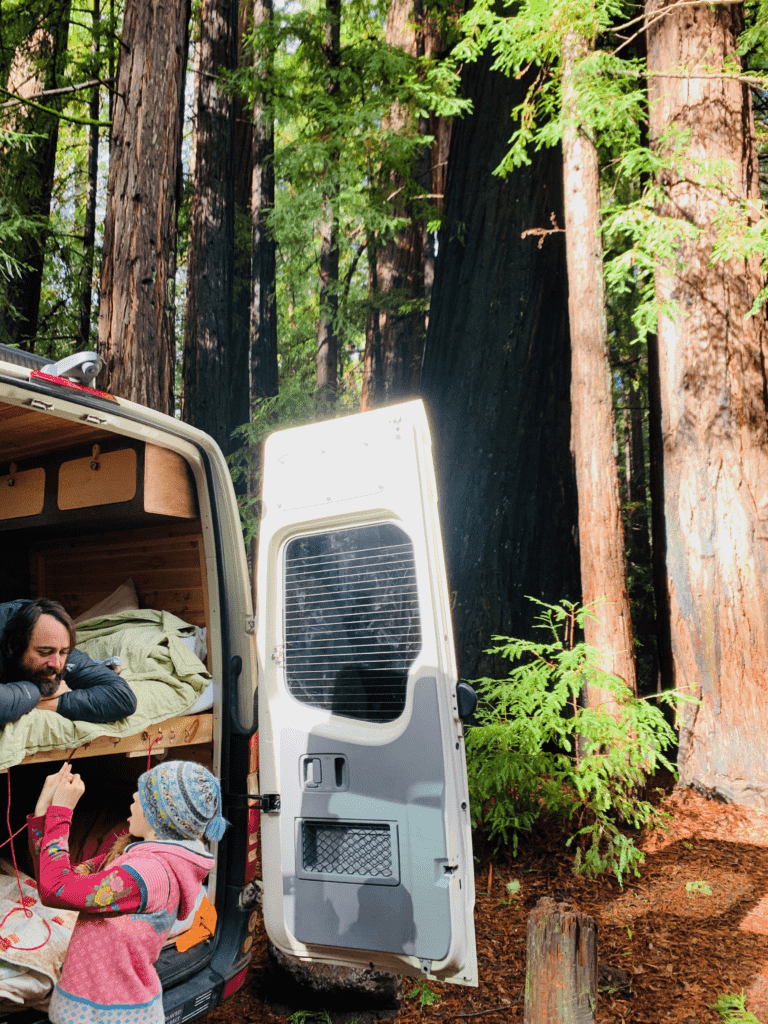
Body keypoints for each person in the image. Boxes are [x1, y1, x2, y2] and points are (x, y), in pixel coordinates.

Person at [28, 759, 227, 1024]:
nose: (134, 795)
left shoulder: (149, 875)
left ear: (160, 817)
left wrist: (62, 813)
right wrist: (45, 812)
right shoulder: (134, 860)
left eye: (144, 795)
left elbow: (57, 889)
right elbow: (55, 877)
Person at [0, 598, 136, 725]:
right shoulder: (16, 634)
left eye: (63, 652)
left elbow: (123, 698)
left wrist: (53, 703)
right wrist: (39, 694)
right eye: (45, 652)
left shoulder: (56, 646)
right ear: (13, 647)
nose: (56, 663)